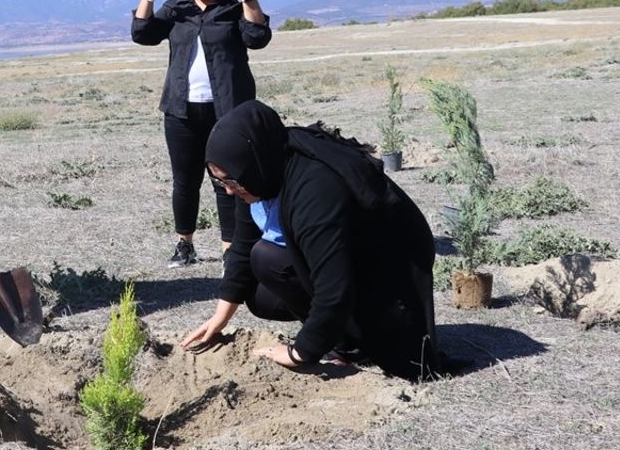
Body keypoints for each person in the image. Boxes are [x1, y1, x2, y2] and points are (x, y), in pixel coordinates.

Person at [179, 100, 440, 382]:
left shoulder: (314, 187)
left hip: (387, 273)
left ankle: (350, 342)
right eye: (221, 183)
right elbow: (242, 246)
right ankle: (341, 333)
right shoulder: (258, 169)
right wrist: (220, 318)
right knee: (257, 293)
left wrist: (300, 352)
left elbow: (334, 285)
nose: (229, 192)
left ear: (249, 162)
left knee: (266, 258)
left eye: (230, 182)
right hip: (345, 265)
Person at [131, 0, 272, 267]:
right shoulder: (177, 10)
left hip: (227, 111)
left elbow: (258, 37)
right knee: (185, 181)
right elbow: (142, 32)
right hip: (181, 110)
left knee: (227, 182)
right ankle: (185, 245)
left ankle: (230, 250)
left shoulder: (234, 8)